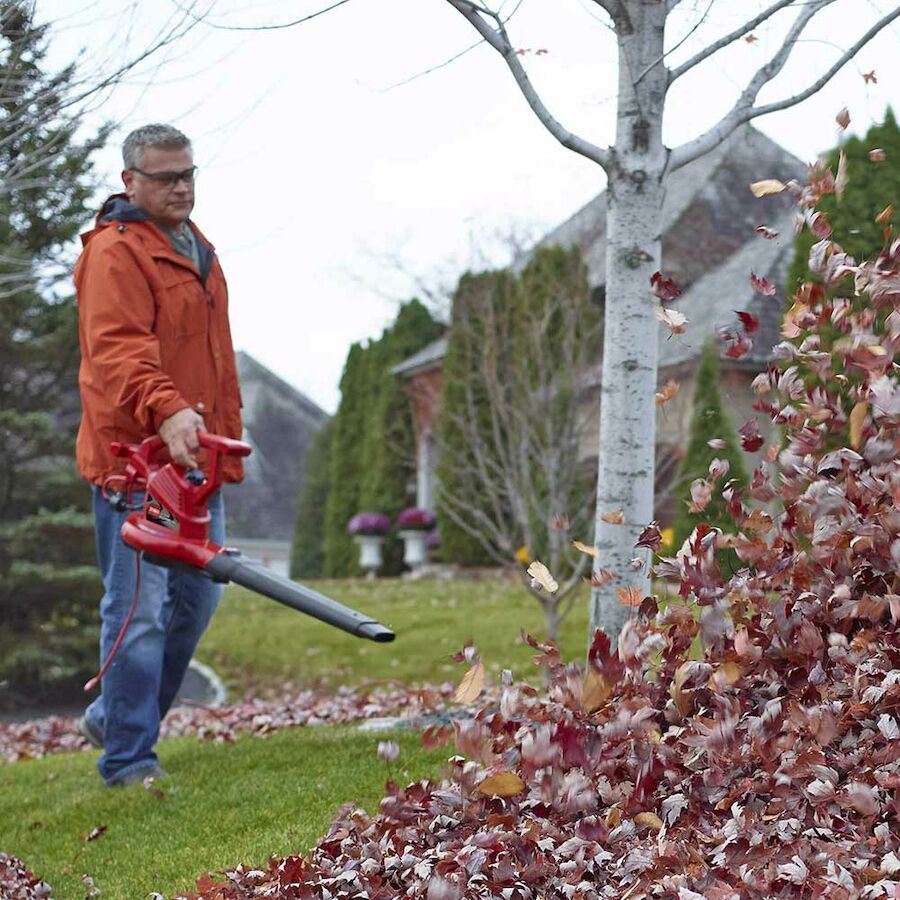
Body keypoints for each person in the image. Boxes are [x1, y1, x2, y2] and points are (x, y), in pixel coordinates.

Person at [74, 124, 243, 786]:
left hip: (197, 464)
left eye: (189, 174)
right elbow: (119, 350)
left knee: (197, 604)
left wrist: (214, 436)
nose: (182, 187)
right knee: (139, 613)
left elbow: (212, 359)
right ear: (130, 182)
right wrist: (169, 409)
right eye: (168, 177)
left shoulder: (196, 248)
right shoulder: (115, 254)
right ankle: (128, 759)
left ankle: (119, 715)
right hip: (137, 464)